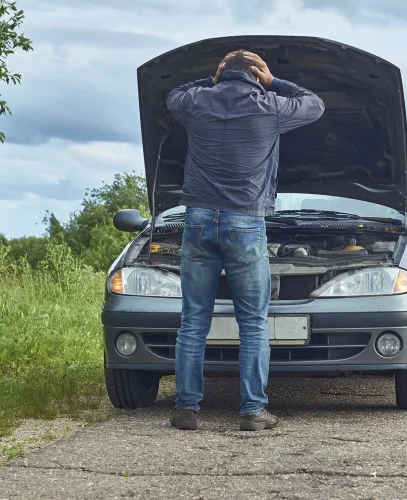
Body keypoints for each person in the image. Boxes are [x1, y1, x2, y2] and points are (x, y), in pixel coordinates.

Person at [165, 50, 325, 431]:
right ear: (256, 74)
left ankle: (186, 408)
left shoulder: (197, 100)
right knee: (252, 322)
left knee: (193, 321)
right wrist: (274, 81)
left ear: (223, 72)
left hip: (198, 220)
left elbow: (173, 95)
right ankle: (253, 411)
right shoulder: (271, 105)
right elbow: (315, 104)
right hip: (245, 224)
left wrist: (211, 79)